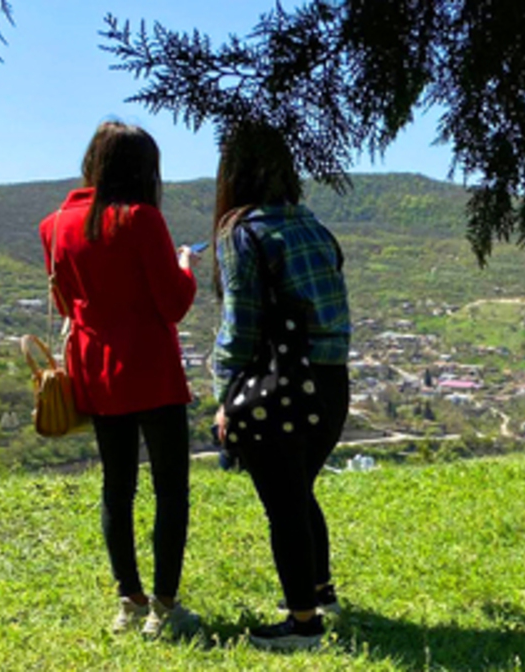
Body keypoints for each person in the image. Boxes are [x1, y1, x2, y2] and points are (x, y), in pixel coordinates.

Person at [37, 121, 200, 637]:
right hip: (150, 368)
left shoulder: (55, 224)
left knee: (117, 486)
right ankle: (165, 607)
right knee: (170, 488)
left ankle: (128, 602)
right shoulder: (142, 219)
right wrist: (185, 265)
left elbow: (64, 301)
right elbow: (173, 304)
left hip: (95, 371)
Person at [210, 120, 351, 652]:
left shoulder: (243, 233)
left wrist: (225, 397)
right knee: (300, 491)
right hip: (331, 383)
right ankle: (320, 591)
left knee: (283, 505)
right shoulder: (314, 226)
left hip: (277, 385)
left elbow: (239, 330)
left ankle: (303, 623)